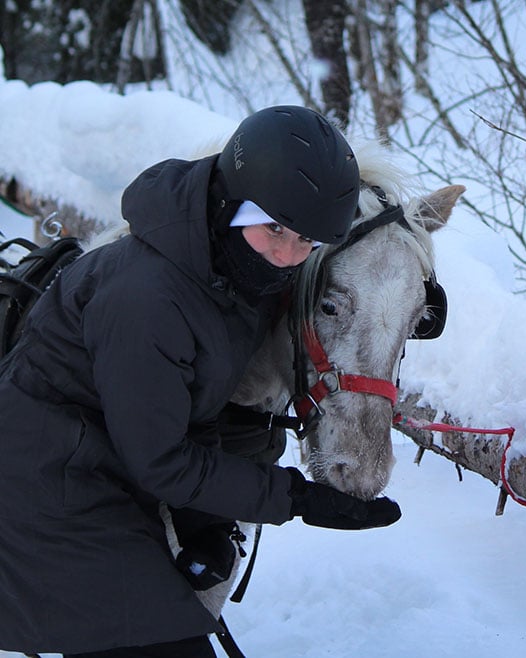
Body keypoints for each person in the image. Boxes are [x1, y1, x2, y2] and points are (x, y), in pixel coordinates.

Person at [0, 105, 401, 657]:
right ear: (233, 201)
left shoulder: (228, 266)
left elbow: (195, 409)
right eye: (275, 228)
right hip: (43, 483)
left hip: (103, 460)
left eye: (306, 241)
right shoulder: (149, 296)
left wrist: (204, 524)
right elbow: (162, 460)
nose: (287, 257)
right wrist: (298, 499)